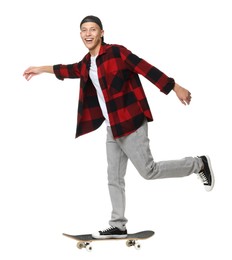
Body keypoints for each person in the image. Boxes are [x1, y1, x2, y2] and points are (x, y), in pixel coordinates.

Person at [23, 15, 215, 239]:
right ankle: (118, 224)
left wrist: (174, 87)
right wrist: (39, 69)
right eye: (84, 30)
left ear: (102, 32)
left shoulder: (117, 52)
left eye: (93, 29)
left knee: (148, 171)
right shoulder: (87, 63)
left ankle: (198, 164)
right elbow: (66, 69)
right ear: (80, 34)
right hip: (113, 127)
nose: (88, 34)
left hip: (131, 122)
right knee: (113, 176)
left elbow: (145, 68)